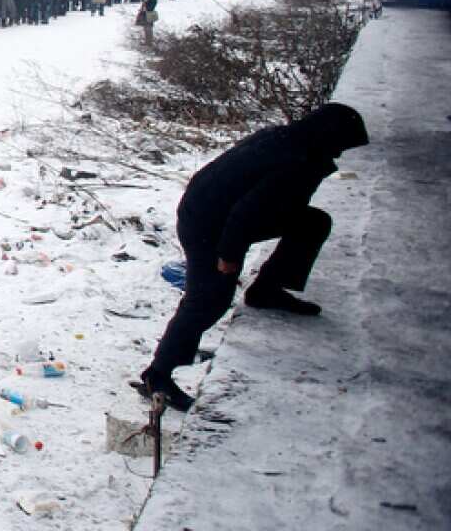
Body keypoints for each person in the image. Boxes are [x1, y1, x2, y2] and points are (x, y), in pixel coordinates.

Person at [140, 104, 369, 411]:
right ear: (328, 137)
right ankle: (158, 375)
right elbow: (246, 212)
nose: (341, 153)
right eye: (341, 144)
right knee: (209, 298)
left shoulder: (285, 137)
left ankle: (266, 290)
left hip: (212, 208)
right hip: (209, 223)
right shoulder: (298, 160)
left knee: (312, 223)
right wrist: (228, 256)